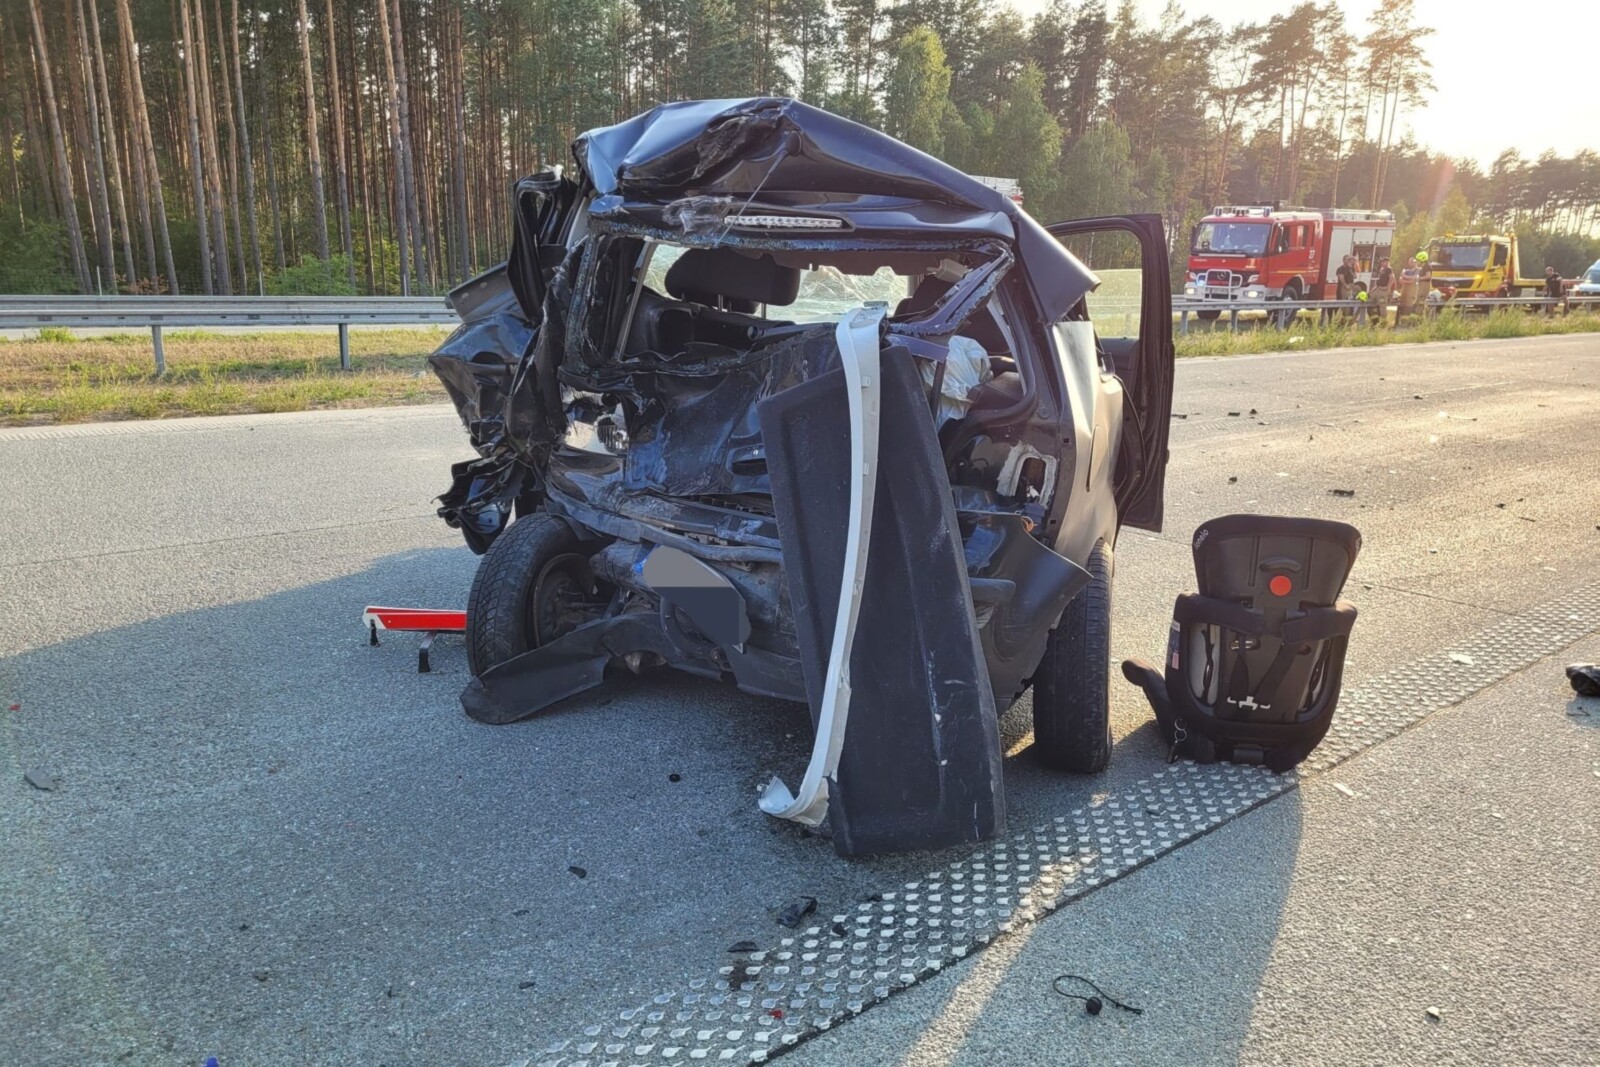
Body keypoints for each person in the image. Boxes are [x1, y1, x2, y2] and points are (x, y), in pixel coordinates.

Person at [1370, 257, 1394, 326]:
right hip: (1378, 289)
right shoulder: (1381, 269)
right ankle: (1375, 321)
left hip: (1383, 290)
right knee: (1371, 302)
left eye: (1384, 262)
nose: (1382, 263)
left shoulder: (1389, 269)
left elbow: (1391, 278)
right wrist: (1372, 290)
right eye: (1382, 262)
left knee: (1382, 306)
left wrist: (1387, 287)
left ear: (1387, 262)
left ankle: (1383, 323)